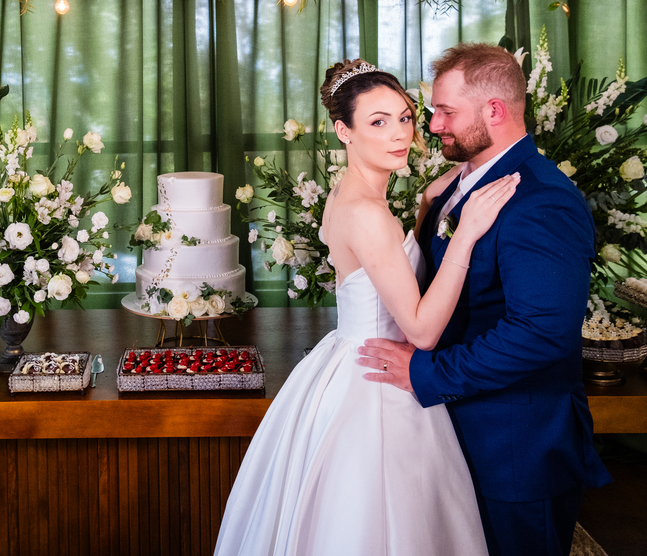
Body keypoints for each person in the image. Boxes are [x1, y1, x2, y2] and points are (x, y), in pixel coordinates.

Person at [214, 59, 520, 556]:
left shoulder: (348, 193)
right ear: (344, 131)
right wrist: (464, 235)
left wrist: (426, 208)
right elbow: (421, 331)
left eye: (404, 117)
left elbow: (385, 266)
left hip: (349, 359)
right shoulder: (366, 213)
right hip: (380, 380)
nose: (399, 133)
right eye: (378, 122)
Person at [357, 43, 613, 556]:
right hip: (458, 431)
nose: (432, 125)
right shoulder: (460, 185)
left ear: (494, 110)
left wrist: (426, 373)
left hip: (515, 448)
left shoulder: (541, 200)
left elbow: (540, 333)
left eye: (446, 112)